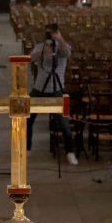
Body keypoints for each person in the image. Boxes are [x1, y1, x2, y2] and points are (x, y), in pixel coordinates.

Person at [27, 23, 78, 165]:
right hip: (39, 88)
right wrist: (43, 52)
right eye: (48, 33)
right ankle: (27, 148)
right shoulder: (40, 47)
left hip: (56, 89)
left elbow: (68, 52)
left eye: (53, 33)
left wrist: (60, 39)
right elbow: (29, 58)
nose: (50, 36)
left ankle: (70, 152)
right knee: (27, 119)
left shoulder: (62, 48)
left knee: (64, 124)